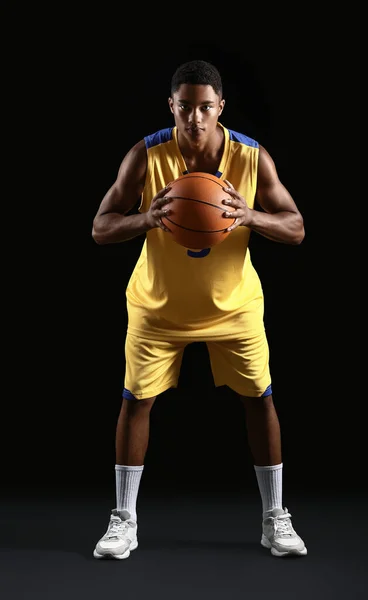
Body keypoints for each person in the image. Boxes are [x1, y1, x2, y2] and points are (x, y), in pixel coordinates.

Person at [91, 59, 307, 560]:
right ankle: (124, 521)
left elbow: (296, 227)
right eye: (185, 106)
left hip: (233, 307)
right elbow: (100, 227)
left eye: (205, 107)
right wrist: (147, 218)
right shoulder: (147, 156)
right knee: (135, 402)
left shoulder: (252, 158)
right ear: (172, 106)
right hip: (157, 306)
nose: (195, 117)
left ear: (220, 108)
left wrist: (248, 214)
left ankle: (276, 518)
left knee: (260, 399)